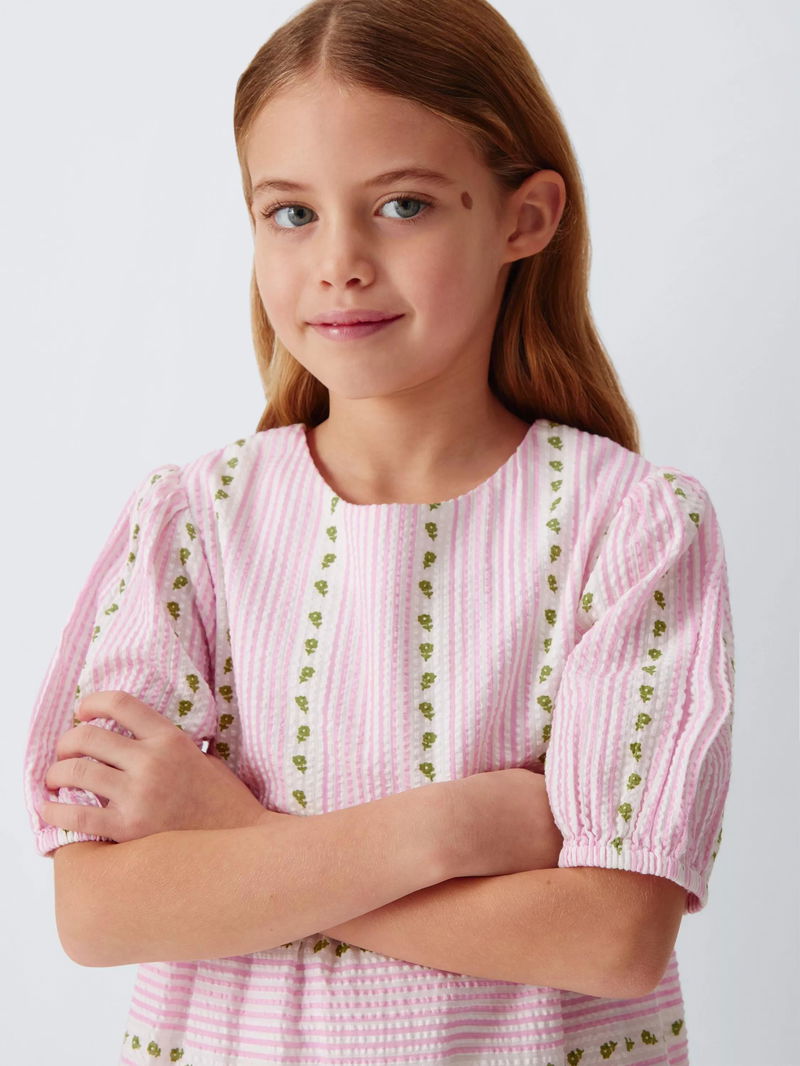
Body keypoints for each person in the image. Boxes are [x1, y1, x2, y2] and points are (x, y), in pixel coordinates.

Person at [22, 0, 736, 1062]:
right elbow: (100, 911)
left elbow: (611, 936)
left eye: (402, 204)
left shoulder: (629, 527)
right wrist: (446, 829)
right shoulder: (193, 524)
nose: (339, 261)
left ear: (525, 217)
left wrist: (240, 843)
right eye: (291, 213)